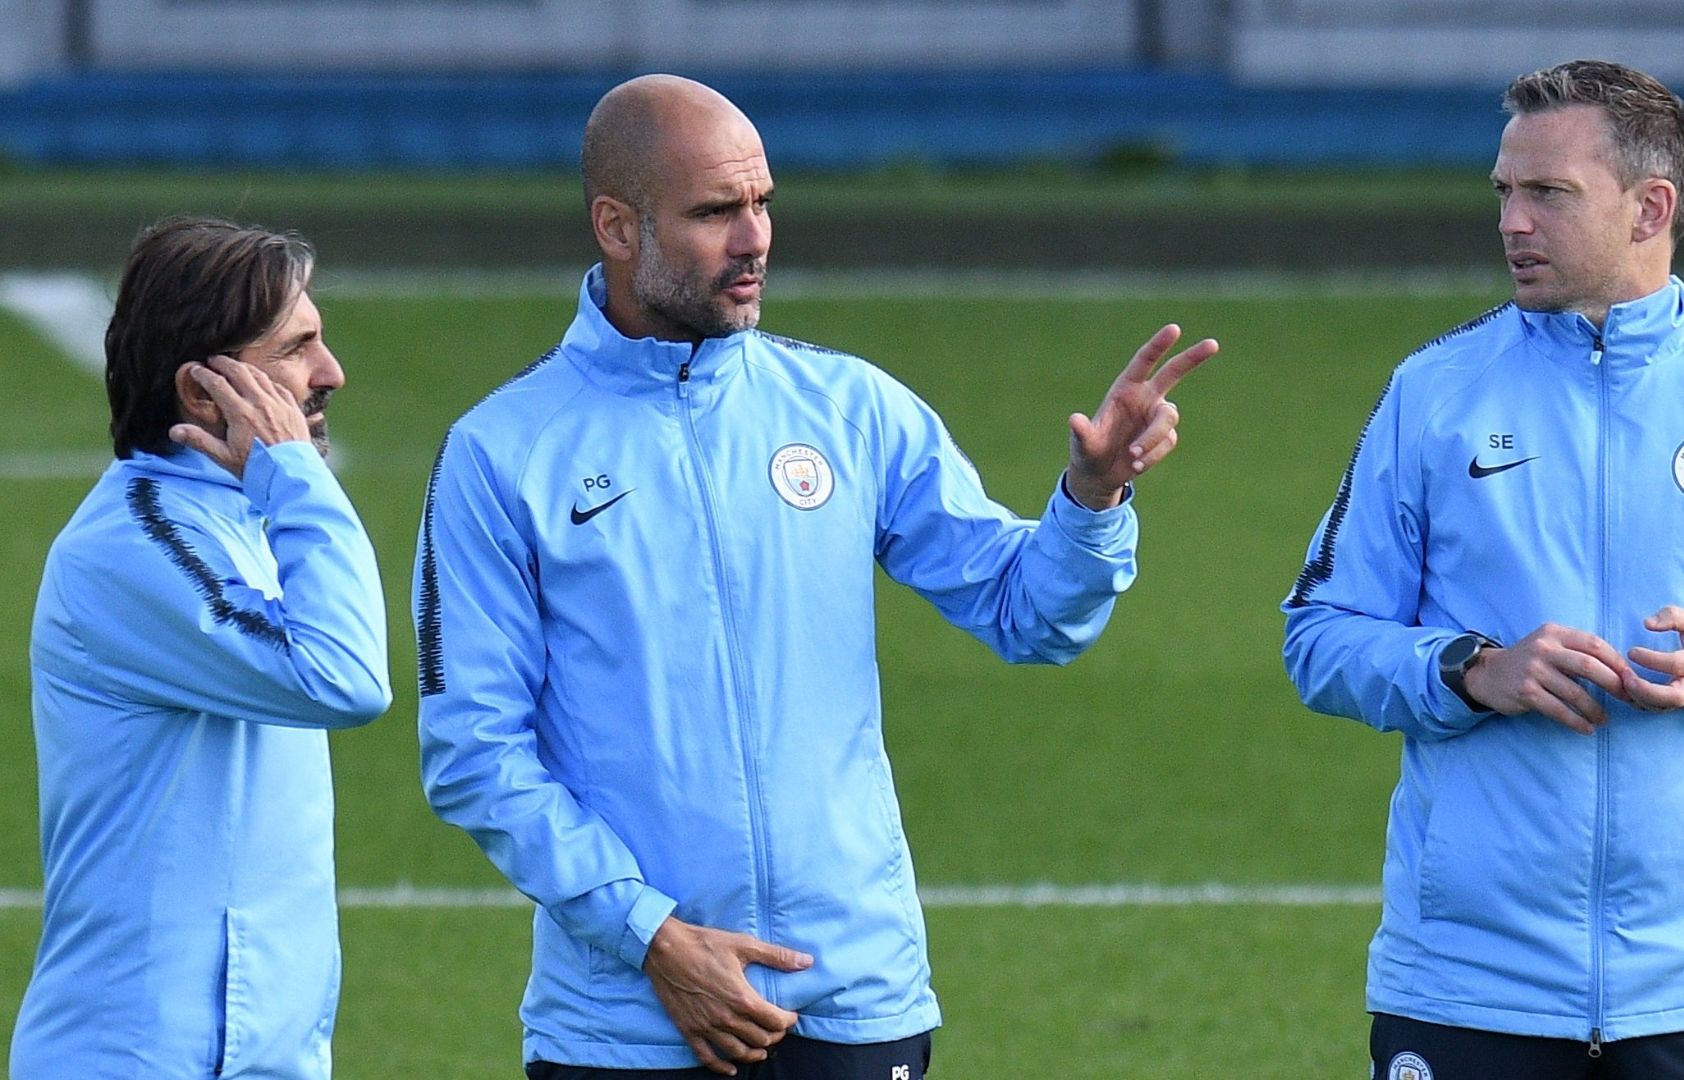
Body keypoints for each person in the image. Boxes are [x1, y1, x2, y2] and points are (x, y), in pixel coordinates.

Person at [413, 74, 1212, 1079]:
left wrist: (1091, 500)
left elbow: (1030, 614)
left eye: (763, 202)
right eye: (716, 211)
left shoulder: (848, 409)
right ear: (617, 227)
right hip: (627, 1025)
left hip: (854, 1003)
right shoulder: (502, 452)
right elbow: (474, 752)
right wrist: (654, 938)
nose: (755, 239)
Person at [1282, 60, 1684, 1080]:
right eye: (1504, 192)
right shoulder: (1432, 394)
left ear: (1650, 207)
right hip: (1465, 985)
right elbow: (1318, 635)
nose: (1512, 222)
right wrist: (1467, 671)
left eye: (1548, 194)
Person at [9, 217, 391, 1078]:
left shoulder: (248, 523)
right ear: (202, 391)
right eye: (297, 350)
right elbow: (345, 677)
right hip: (135, 1057)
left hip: (265, 1055)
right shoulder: (131, 552)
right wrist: (297, 473)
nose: (331, 374)